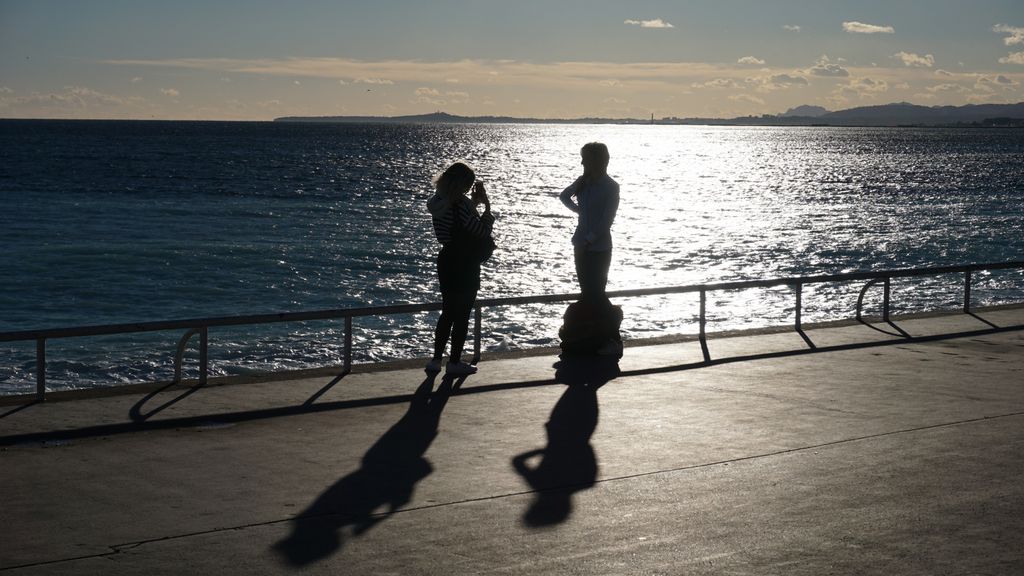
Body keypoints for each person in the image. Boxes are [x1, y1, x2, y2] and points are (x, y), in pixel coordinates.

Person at [425, 162, 494, 375]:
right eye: (468, 185)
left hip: (447, 259)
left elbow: (456, 222)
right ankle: (454, 362)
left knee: (448, 311)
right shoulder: (461, 205)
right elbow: (478, 230)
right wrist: (488, 212)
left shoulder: (438, 202)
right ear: (462, 184)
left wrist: (473, 203)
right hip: (465, 262)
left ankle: (436, 360)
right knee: (462, 313)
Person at [559, 142, 619, 305]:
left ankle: (601, 325)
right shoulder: (582, 182)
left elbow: (607, 220)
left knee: (597, 291)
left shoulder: (611, 187)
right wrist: (579, 210)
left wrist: (590, 239)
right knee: (585, 291)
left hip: (600, 246)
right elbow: (564, 196)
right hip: (581, 243)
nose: (582, 163)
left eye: (585, 159)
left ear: (597, 160)